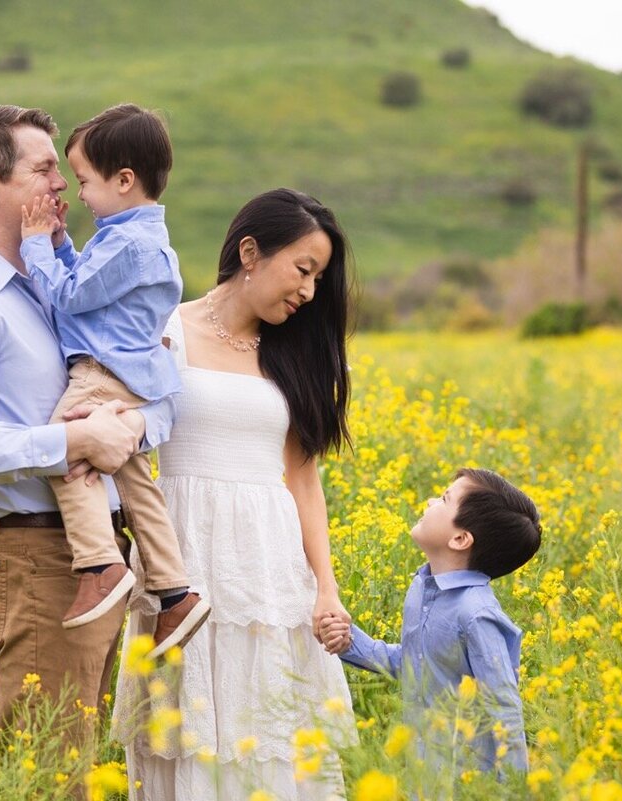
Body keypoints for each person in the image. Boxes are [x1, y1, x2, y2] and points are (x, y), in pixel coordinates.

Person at [0, 104, 174, 747]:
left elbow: (143, 380)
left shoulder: (58, 283)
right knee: (53, 775)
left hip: (99, 557)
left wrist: (137, 424)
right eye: (44, 169)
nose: (64, 185)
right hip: (32, 559)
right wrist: (78, 440)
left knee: (83, 767)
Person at [112, 188, 357, 800]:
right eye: (303, 270)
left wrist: (326, 590)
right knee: (185, 728)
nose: (308, 292)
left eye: (318, 280)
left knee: (271, 728)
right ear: (250, 251)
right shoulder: (166, 330)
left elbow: (303, 480)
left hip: (269, 569)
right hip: (182, 553)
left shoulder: (295, 353)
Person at [19, 104, 209, 657]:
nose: (77, 194)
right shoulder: (130, 237)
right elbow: (85, 285)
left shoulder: (129, 244)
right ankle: (175, 594)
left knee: (66, 448)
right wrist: (58, 245)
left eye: (84, 181)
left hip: (103, 377)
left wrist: (33, 242)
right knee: (136, 484)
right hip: (134, 381)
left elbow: (71, 298)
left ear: (124, 180)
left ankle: (99, 565)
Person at [319, 468, 542, 778]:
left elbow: (504, 709)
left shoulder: (476, 614)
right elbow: (414, 663)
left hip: (468, 780)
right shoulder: (422, 589)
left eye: (443, 499)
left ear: (461, 539)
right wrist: (349, 640)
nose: (429, 501)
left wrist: (514, 790)